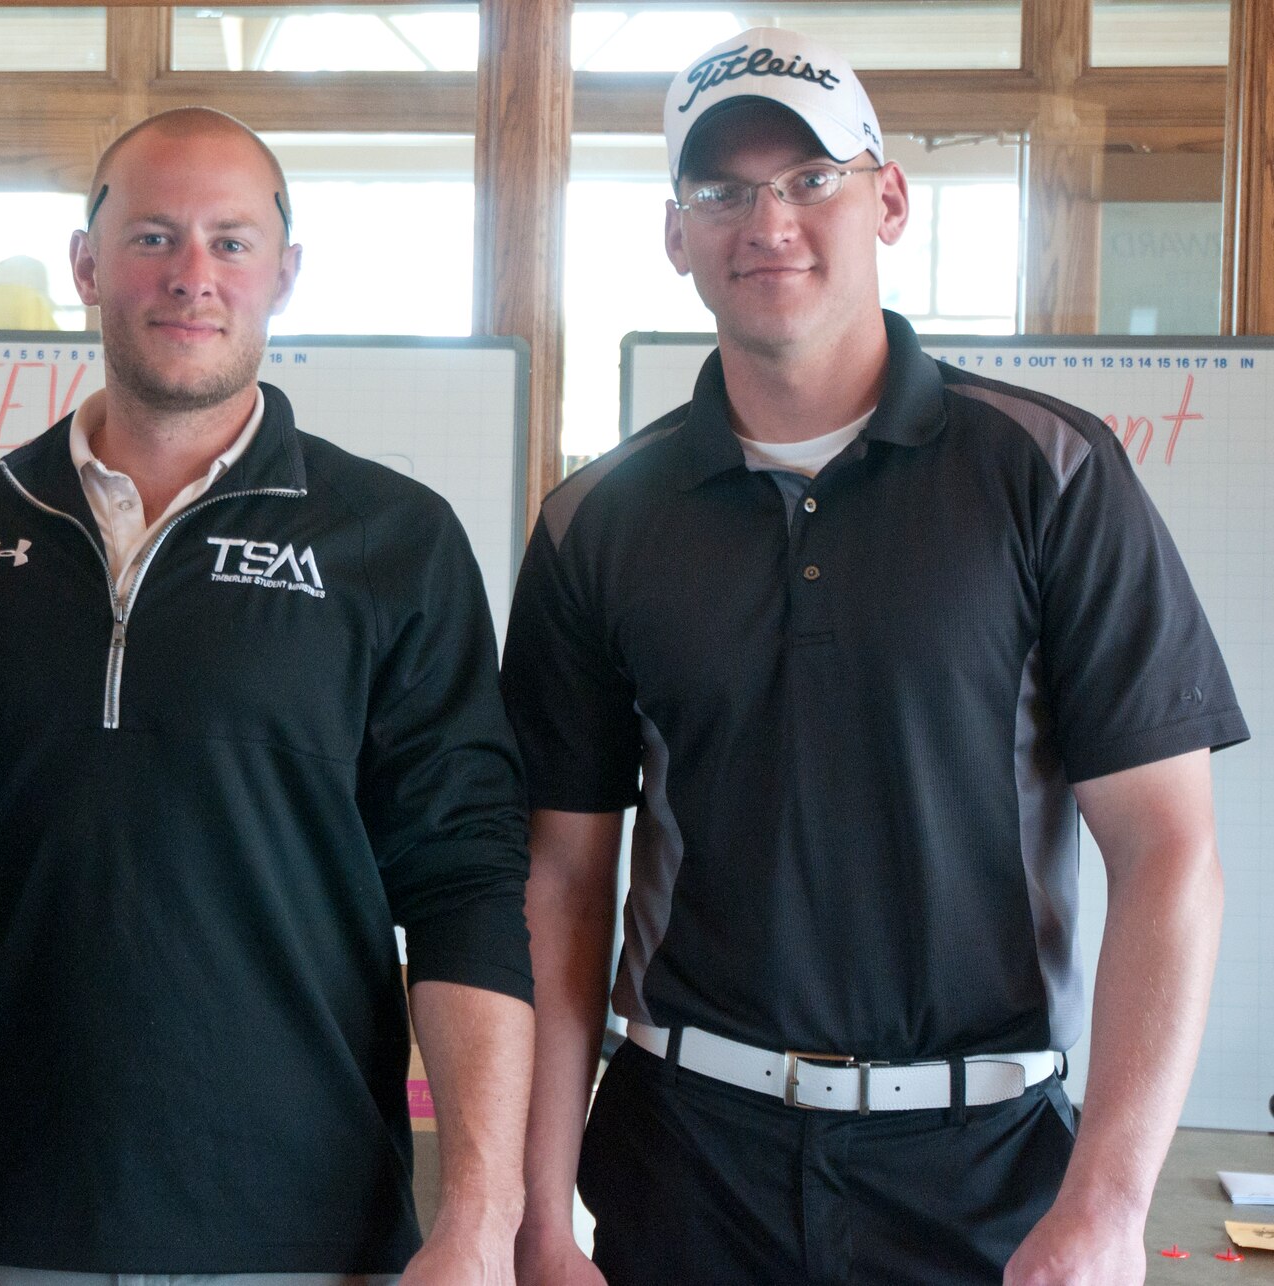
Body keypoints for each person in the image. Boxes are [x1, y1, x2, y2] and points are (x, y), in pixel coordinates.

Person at [503, 27, 1246, 1286]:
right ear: (675, 234)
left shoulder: (1048, 474)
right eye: (720, 190)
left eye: (808, 180)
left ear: (886, 199)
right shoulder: (596, 522)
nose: (765, 221)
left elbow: (1167, 853)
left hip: (983, 1174)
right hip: (684, 1163)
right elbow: (563, 884)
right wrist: (533, 1215)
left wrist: (1109, 1204)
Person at [0, 107, 534, 1286]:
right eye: (153, 236)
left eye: (231, 242)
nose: (192, 276)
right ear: (86, 264)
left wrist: (482, 1216)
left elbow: (468, 885)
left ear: (284, 275)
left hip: (300, 1233)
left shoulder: (392, 541)